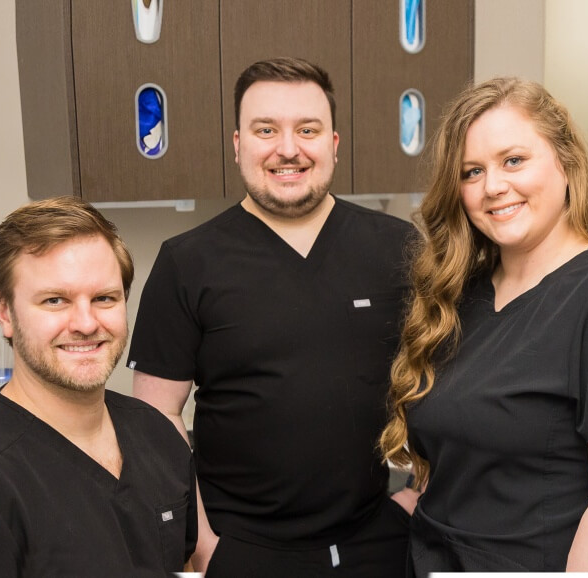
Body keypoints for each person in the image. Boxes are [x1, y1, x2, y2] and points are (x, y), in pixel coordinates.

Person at [128, 57, 416, 577]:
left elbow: (445, 383)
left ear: (334, 142)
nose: (288, 148)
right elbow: (154, 419)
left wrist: (419, 495)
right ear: (239, 144)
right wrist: (203, 545)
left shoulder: (398, 249)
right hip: (242, 552)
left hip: (378, 543)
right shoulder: (187, 262)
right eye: (267, 130)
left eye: (308, 129)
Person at [380, 77, 588, 573]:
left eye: (513, 160)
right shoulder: (460, 295)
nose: (493, 187)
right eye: (472, 171)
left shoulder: (586, 296)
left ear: (565, 160)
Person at [0, 197, 198, 577]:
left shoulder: (158, 437)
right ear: (4, 311)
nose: (85, 323)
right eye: (55, 300)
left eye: (104, 298)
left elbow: (182, 564)